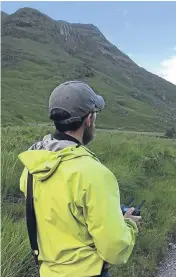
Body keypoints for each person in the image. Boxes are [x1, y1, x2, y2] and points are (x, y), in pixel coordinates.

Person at [18, 81, 141, 277]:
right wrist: (128, 225)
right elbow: (114, 249)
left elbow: (62, 218)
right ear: (89, 119)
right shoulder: (94, 173)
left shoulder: (32, 167)